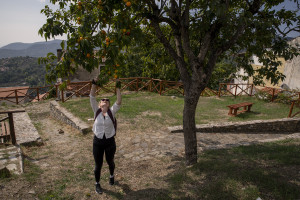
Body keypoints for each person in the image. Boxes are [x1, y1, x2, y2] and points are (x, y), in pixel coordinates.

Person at [90, 79, 121, 194]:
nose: (105, 101)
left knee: (110, 161)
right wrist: (94, 84)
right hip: (97, 142)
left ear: (108, 104)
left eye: (107, 100)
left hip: (110, 142)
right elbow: (92, 97)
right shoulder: (96, 111)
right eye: (103, 99)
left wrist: (117, 87)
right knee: (98, 164)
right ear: (100, 104)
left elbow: (118, 100)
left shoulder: (112, 111)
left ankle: (112, 175)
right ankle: (97, 184)